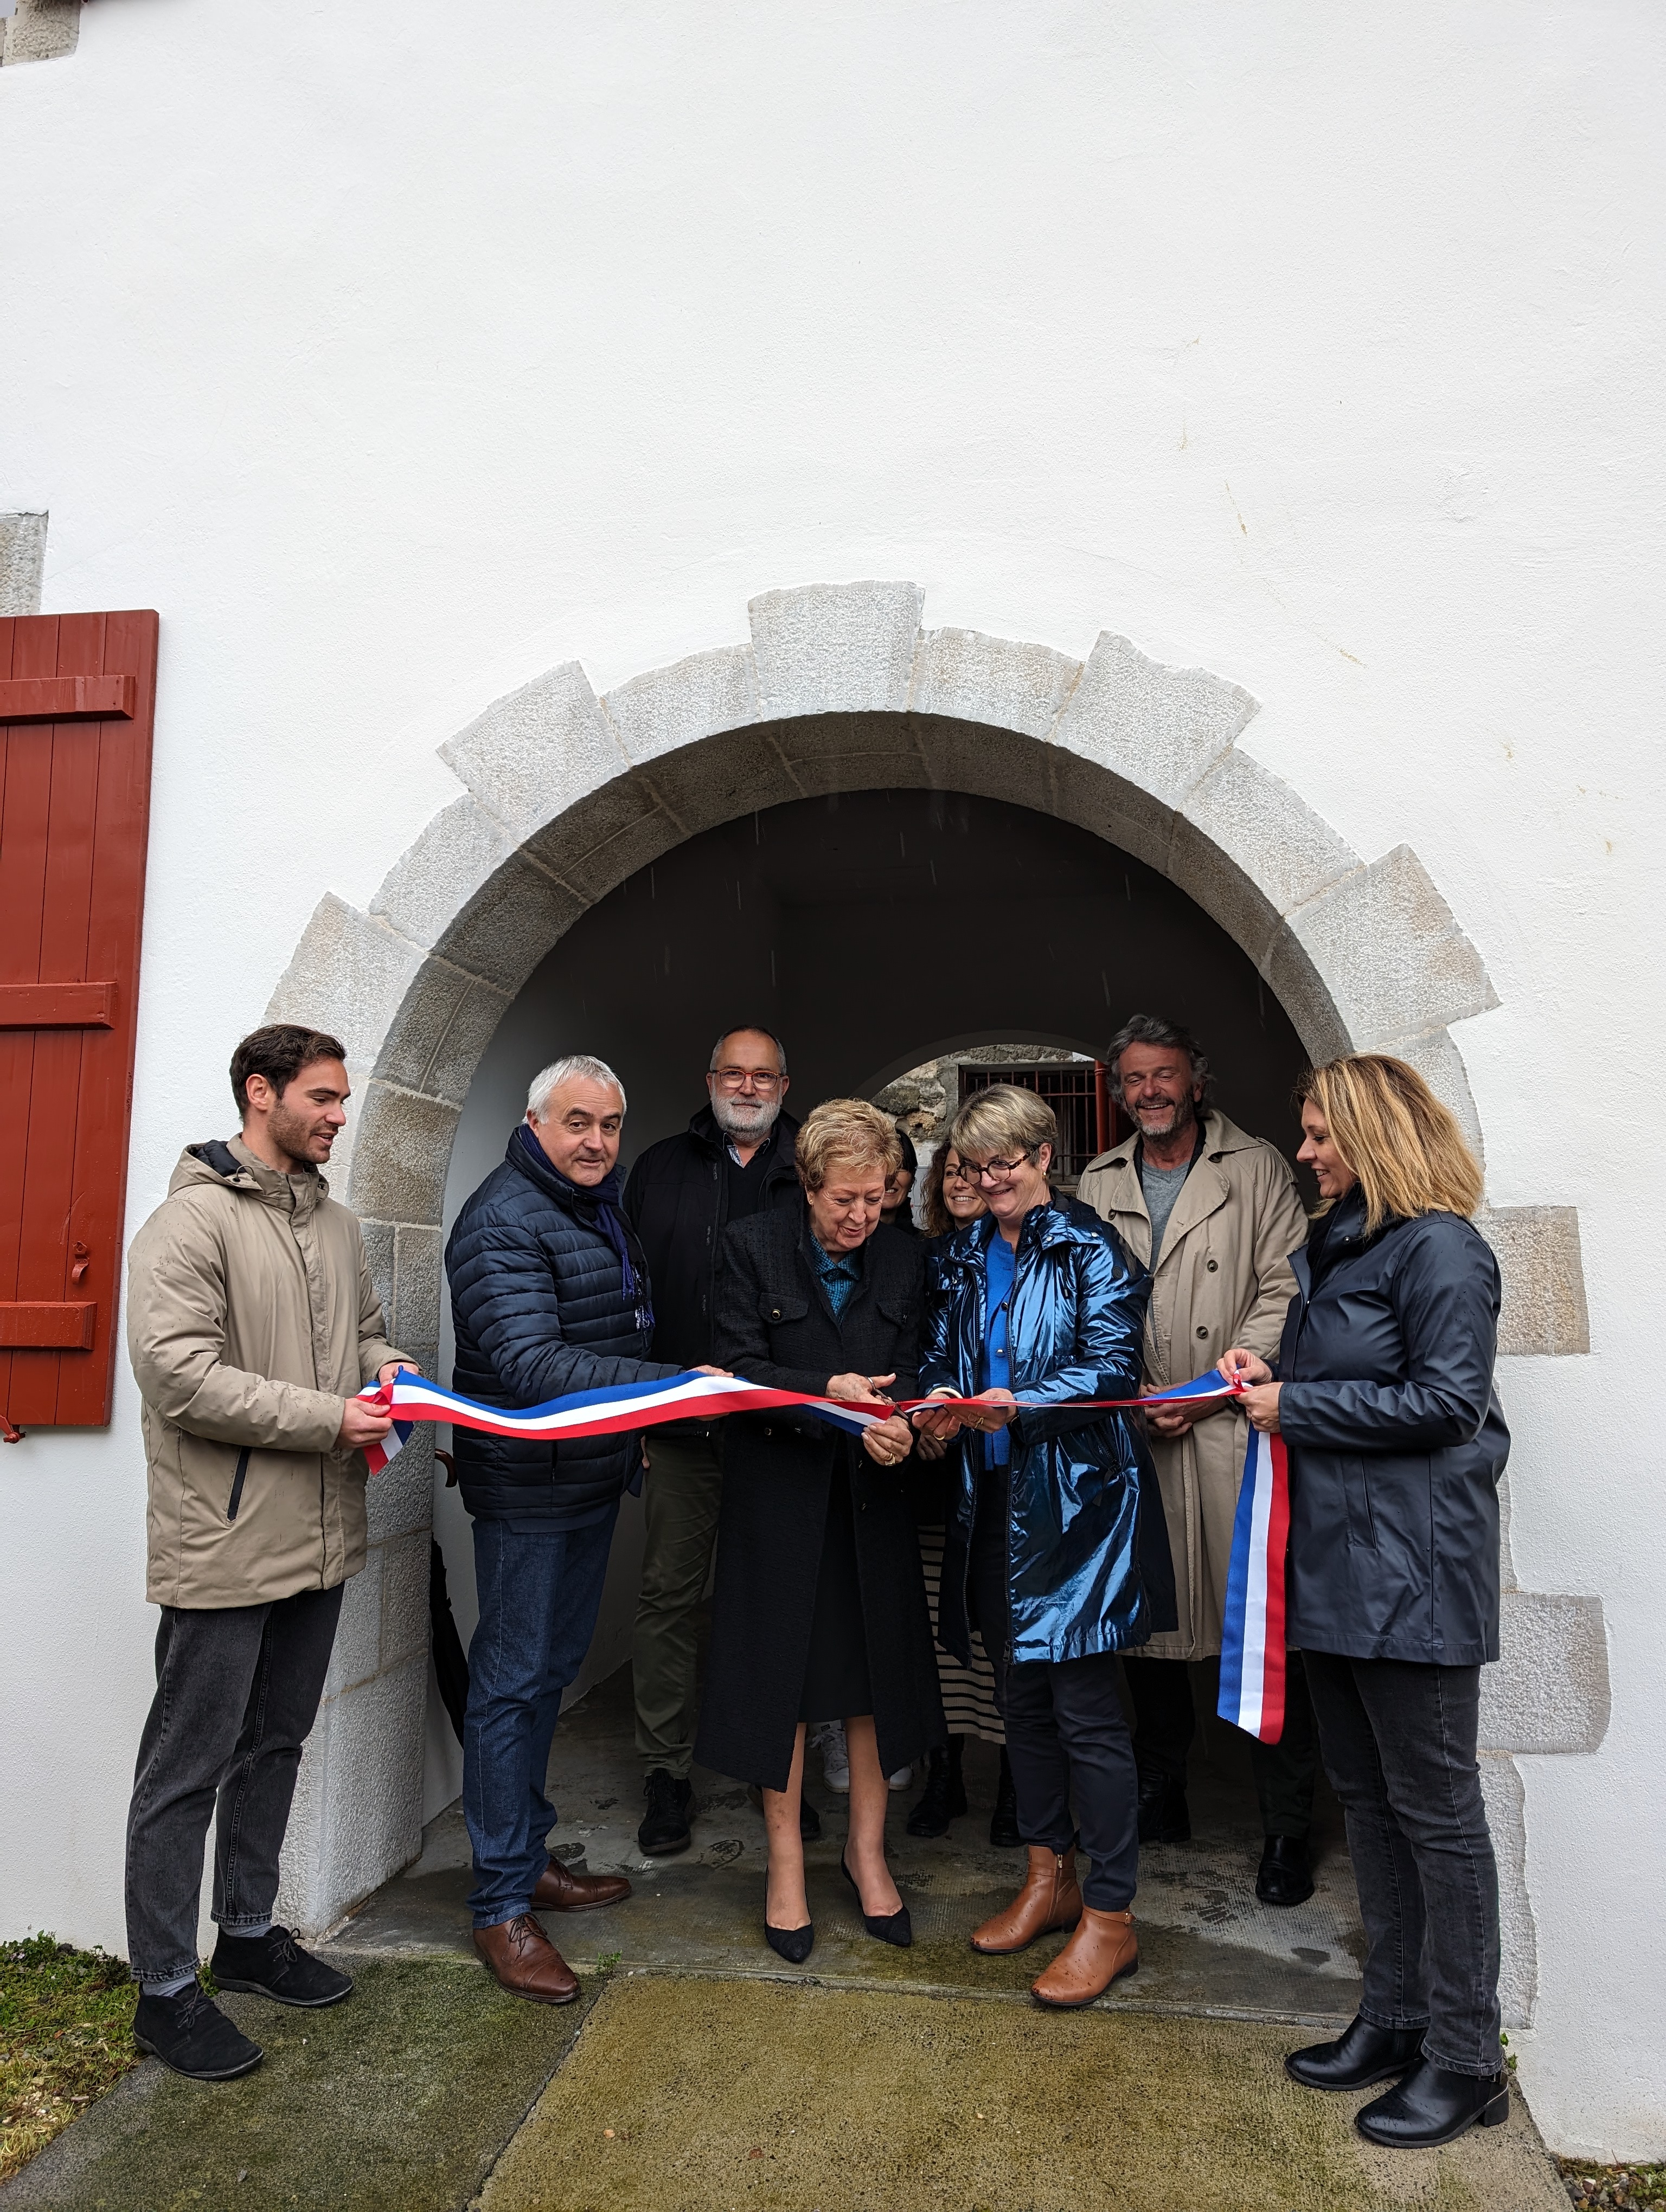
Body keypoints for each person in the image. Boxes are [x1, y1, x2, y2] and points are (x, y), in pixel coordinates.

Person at [1221, 1054, 1511, 2149]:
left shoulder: (1442, 1248)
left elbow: (1448, 1403)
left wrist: (1299, 1402)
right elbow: (1356, 1392)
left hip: (1415, 1578)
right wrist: (1268, 1378)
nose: (1305, 1153)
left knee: (1439, 1822)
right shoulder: (1346, 1251)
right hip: (1335, 1574)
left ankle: (1466, 2058)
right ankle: (1390, 2020)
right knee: (1372, 1807)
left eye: (1319, 1136)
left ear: (1376, 1134)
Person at [123, 1026, 415, 2082]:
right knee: (183, 1771)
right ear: (262, 1093)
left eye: (343, 1099)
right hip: (226, 1545)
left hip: (324, 1535)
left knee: (277, 1744)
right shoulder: (187, 1223)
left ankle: (246, 1936)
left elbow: (366, 1336)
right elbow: (178, 1375)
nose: (340, 1115)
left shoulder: (333, 1224)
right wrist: (330, 1418)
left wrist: (394, 1374)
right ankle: (164, 1993)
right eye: (324, 1099)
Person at [446, 1054, 715, 2004]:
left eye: (609, 1124)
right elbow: (532, 1363)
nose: (596, 1141)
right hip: (527, 1492)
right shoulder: (503, 1221)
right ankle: (498, 1907)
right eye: (577, 1123)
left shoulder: (586, 1205)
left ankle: (526, 1865)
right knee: (511, 1687)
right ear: (533, 1123)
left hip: (588, 1477)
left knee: (545, 1678)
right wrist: (676, 1388)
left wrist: (636, 1423)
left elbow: (613, 1329)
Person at [917, 1085, 1167, 2010]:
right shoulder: (960, 1255)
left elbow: (1111, 1365)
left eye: (1006, 1165)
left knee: (1087, 1715)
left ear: (1043, 1157)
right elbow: (943, 1353)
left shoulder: (1090, 1246)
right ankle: (1045, 1878)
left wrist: (1019, 1405)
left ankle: (1110, 1916)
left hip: (1075, 1509)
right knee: (1019, 1703)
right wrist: (940, 1407)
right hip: (987, 1504)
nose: (989, 1183)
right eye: (975, 1168)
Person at [696, 1099, 944, 1964]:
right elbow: (734, 1372)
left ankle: (867, 1853)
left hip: (870, 1505)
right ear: (806, 1186)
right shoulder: (748, 1249)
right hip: (781, 1503)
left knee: (874, 1680)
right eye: (844, 1199)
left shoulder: (907, 1258)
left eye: (876, 1198)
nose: (861, 1217)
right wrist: (824, 1395)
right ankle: (787, 1866)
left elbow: (918, 1367)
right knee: (786, 1688)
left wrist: (906, 1422)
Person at [1077, 1014, 1317, 1904]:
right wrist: (1136, 1392)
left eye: (1164, 1074)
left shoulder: (1256, 1169)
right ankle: (1162, 1789)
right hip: (1135, 1432)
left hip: (1231, 1429)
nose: (1149, 1091)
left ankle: (1286, 1826)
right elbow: (1077, 1297)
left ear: (1196, 1081)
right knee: (1147, 1626)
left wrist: (1206, 1388)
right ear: (1117, 1089)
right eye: (1133, 1078)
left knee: (1259, 1635)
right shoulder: (1095, 1182)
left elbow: (1285, 1289)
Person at [621, 1025, 802, 1857]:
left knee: (779, 1599)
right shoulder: (659, 1169)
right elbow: (626, 1295)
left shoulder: (812, 1168)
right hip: (681, 1427)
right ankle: (667, 1772)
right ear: (710, 1080)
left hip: (782, 1429)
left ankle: (782, 1770)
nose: (749, 1084)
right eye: (734, 1071)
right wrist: (638, 1411)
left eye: (764, 1075)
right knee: (667, 1599)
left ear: (785, 1086)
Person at [907, 1141, 1017, 1845]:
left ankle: (1016, 1786)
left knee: (1006, 1638)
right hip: (936, 1478)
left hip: (1008, 1481)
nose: (965, 1183)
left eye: (979, 1171)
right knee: (941, 1644)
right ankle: (942, 1776)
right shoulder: (921, 1264)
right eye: (952, 1172)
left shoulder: (1025, 1264)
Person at [880, 1126, 920, 1234]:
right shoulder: (843, 1244)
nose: (890, 1177)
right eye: (882, 1166)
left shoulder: (925, 1246)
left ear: (912, 1179)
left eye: (900, 1167)